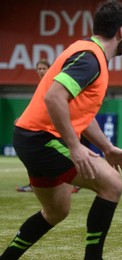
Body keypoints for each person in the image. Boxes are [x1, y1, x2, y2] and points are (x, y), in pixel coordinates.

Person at [1, 1, 122, 259]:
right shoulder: (91, 59)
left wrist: (106, 147)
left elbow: (80, 112)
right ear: (121, 32)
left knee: (56, 211)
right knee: (112, 185)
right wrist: (75, 147)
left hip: (31, 138)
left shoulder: (86, 51)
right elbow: (54, 98)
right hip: (43, 139)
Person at [16, 59, 82, 193]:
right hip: (43, 130)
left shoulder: (55, 83)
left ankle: (75, 183)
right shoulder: (41, 85)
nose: (41, 71)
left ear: (49, 69)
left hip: (56, 129)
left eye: (44, 68)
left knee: (71, 154)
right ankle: (35, 184)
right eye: (39, 69)